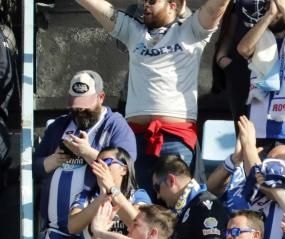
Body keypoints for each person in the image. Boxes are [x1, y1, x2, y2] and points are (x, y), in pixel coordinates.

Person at [75, 0, 231, 190]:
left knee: (176, 210)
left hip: (175, 139)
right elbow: (98, 7)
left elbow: (217, 7)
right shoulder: (134, 31)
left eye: (152, 1)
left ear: (174, 5)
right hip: (134, 138)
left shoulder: (192, 31)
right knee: (138, 207)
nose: (145, 5)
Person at [34, 70, 136, 239]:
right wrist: (51, 162)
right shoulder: (59, 126)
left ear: (101, 97)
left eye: (85, 107)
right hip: (56, 233)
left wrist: (88, 153)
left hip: (92, 234)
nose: (79, 114)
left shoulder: (115, 126)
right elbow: (33, 166)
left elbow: (125, 164)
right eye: (75, 108)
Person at [237, 0, 285, 167]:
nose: (272, 9)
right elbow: (243, 49)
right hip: (259, 131)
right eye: (267, 5)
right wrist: (270, 15)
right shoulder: (258, 38)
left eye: (280, 5)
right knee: (257, 186)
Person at [151, 154, 229, 239]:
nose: (158, 196)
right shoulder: (183, 208)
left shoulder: (205, 204)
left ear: (170, 180)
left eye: (157, 188)